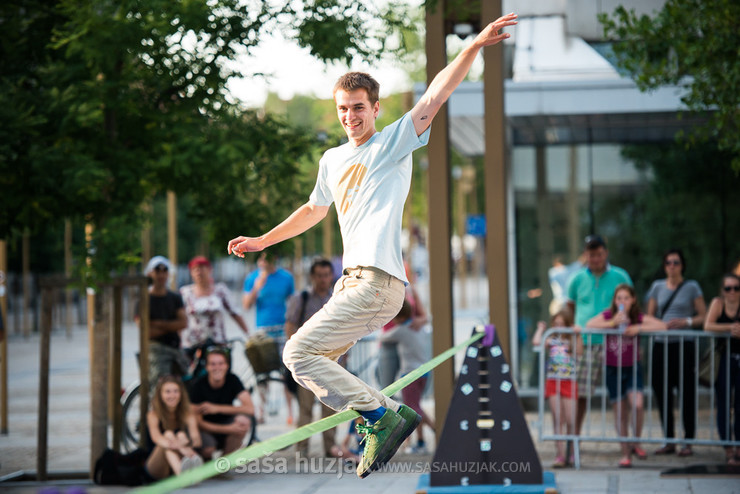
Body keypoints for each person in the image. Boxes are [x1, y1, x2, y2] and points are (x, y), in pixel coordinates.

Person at [226, 12, 518, 478]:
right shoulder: (332, 159)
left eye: (358, 107)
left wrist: (473, 47)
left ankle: (381, 416)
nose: (350, 117)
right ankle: (381, 415)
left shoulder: (393, 143)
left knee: (295, 352)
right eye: (343, 109)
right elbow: (313, 210)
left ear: (375, 108)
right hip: (351, 286)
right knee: (308, 364)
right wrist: (263, 240)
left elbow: (437, 92)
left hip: (377, 283)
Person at [587, 284, 666, 468]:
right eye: (619, 298)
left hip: (632, 367)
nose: (622, 301)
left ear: (633, 300)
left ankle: (636, 442)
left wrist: (639, 328)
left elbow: (662, 325)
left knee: (637, 404)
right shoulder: (609, 315)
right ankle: (625, 453)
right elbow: (590, 324)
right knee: (620, 411)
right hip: (613, 368)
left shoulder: (636, 317)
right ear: (615, 301)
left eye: (626, 298)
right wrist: (612, 323)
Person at [566, 234, 633, 435]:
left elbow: (631, 304)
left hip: (615, 342)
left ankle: (626, 442)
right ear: (585, 255)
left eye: (598, 254)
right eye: (591, 254)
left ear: (606, 253)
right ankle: (573, 440)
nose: (595, 258)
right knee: (581, 394)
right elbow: (569, 307)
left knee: (620, 395)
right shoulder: (576, 279)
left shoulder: (620, 276)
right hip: (586, 343)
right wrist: (574, 333)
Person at [646, 249, 706, 456]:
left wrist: (686, 321)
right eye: (668, 263)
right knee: (661, 391)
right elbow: (649, 316)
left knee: (686, 391)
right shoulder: (657, 287)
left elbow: (703, 316)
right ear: (664, 266)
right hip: (661, 344)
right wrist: (660, 326)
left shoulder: (691, 287)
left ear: (682, 265)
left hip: (685, 344)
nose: (672, 266)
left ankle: (688, 441)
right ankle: (669, 440)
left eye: (676, 262)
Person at [284, 257, 342, 457]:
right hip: (307, 363)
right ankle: (302, 449)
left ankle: (330, 448)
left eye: (326, 275)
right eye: (319, 275)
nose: (323, 279)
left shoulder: (337, 298)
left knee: (331, 409)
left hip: (332, 362)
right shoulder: (302, 298)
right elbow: (290, 325)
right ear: (312, 276)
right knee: (305, 410)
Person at [242, 251, 296, 424]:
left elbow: (293, 301)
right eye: (262, 259)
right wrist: (257, 287)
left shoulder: (286, 277)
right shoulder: (252, 278)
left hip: (282, 328)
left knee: (285, 371)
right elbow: (246, 305)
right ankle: (261, 411)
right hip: (262, 329)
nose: (265, 262)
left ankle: (290, 412)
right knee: (262, 373)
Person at [378, 299, 435, 455]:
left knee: (412, 410)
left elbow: (383, 338)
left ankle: (435, 428)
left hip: (409, 375)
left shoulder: (401, 330)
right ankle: (421, 442)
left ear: (398, 317)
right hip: (424, 373)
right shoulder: (421, 328)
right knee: (416, 405)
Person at [532, 309, 582, 468]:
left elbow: (579, 352)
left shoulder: (571, 339)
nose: (559, 327)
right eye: (556, 324)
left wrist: (577, 334)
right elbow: (536, 342)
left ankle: (573, 452)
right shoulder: (551, 338)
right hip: (553, 381)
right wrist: (541, 329)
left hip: (569, 381)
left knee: (571, 419)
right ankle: (560, 454)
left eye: (562, 324)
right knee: (557, 418)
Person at [188, 347, 256, 460]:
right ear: (207, 367)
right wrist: (229, 429)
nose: (217, 368)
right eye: (213, 364)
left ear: (227, 366)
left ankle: (224, 463)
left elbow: (250, 409)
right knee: (208, 450)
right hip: (206, 430)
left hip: (227, 424)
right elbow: (198, 422)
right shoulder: (198, 385)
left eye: (221, 363)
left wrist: (217, 408)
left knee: (243, 421)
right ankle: (206, 464)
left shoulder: (233, 379)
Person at [135, 256, 189, 395]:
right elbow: (145, 332)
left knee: (186, 385)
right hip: (155, 350)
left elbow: (183, 323)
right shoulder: (144, 299)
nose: (161, 274)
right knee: (160, 389)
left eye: (165, 270)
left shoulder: (175, 297)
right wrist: (171, 326)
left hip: (175, 348)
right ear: (149, 273)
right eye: (157, 270)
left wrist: (157, 324)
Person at [703, 273, 740, 465]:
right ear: (723, 290)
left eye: (736, 288)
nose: (732, 291)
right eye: (728, 288)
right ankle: (728, 448)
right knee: (724, 404)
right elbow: (707, 325)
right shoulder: (718, 303)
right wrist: (730, 328)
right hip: (723, 358)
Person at [180, 256, 250, 356]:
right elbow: (180, 318)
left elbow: (235, 313)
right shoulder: (185, 293)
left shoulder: (220, 290)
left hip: (218, 343)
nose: (199, 272)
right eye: (195, 269)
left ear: (209, 270)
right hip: (193, 345)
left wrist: (248, 335)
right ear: (191, 273)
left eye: (202, 268)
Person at [377, 263, 429, 390]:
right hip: (390, 343)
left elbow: (425, 317)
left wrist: (417, 322)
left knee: (410, 389)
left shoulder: (410, 290)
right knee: (387, 388)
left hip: (408, 342)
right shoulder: (383, 290)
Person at [145, 376, 203, 480]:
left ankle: (184, 474)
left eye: (176, 391)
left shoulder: (187, 413)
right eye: (168, 392)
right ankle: (183, 476)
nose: (172, 395)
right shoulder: (153, 414)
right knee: (168, 435)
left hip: (178, 462)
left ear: (181, 394)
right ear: (160, 395)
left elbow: (197, 440)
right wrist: (182, 448)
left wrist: (186, 442)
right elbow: (156, 438)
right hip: (156, 467)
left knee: (182, 435)